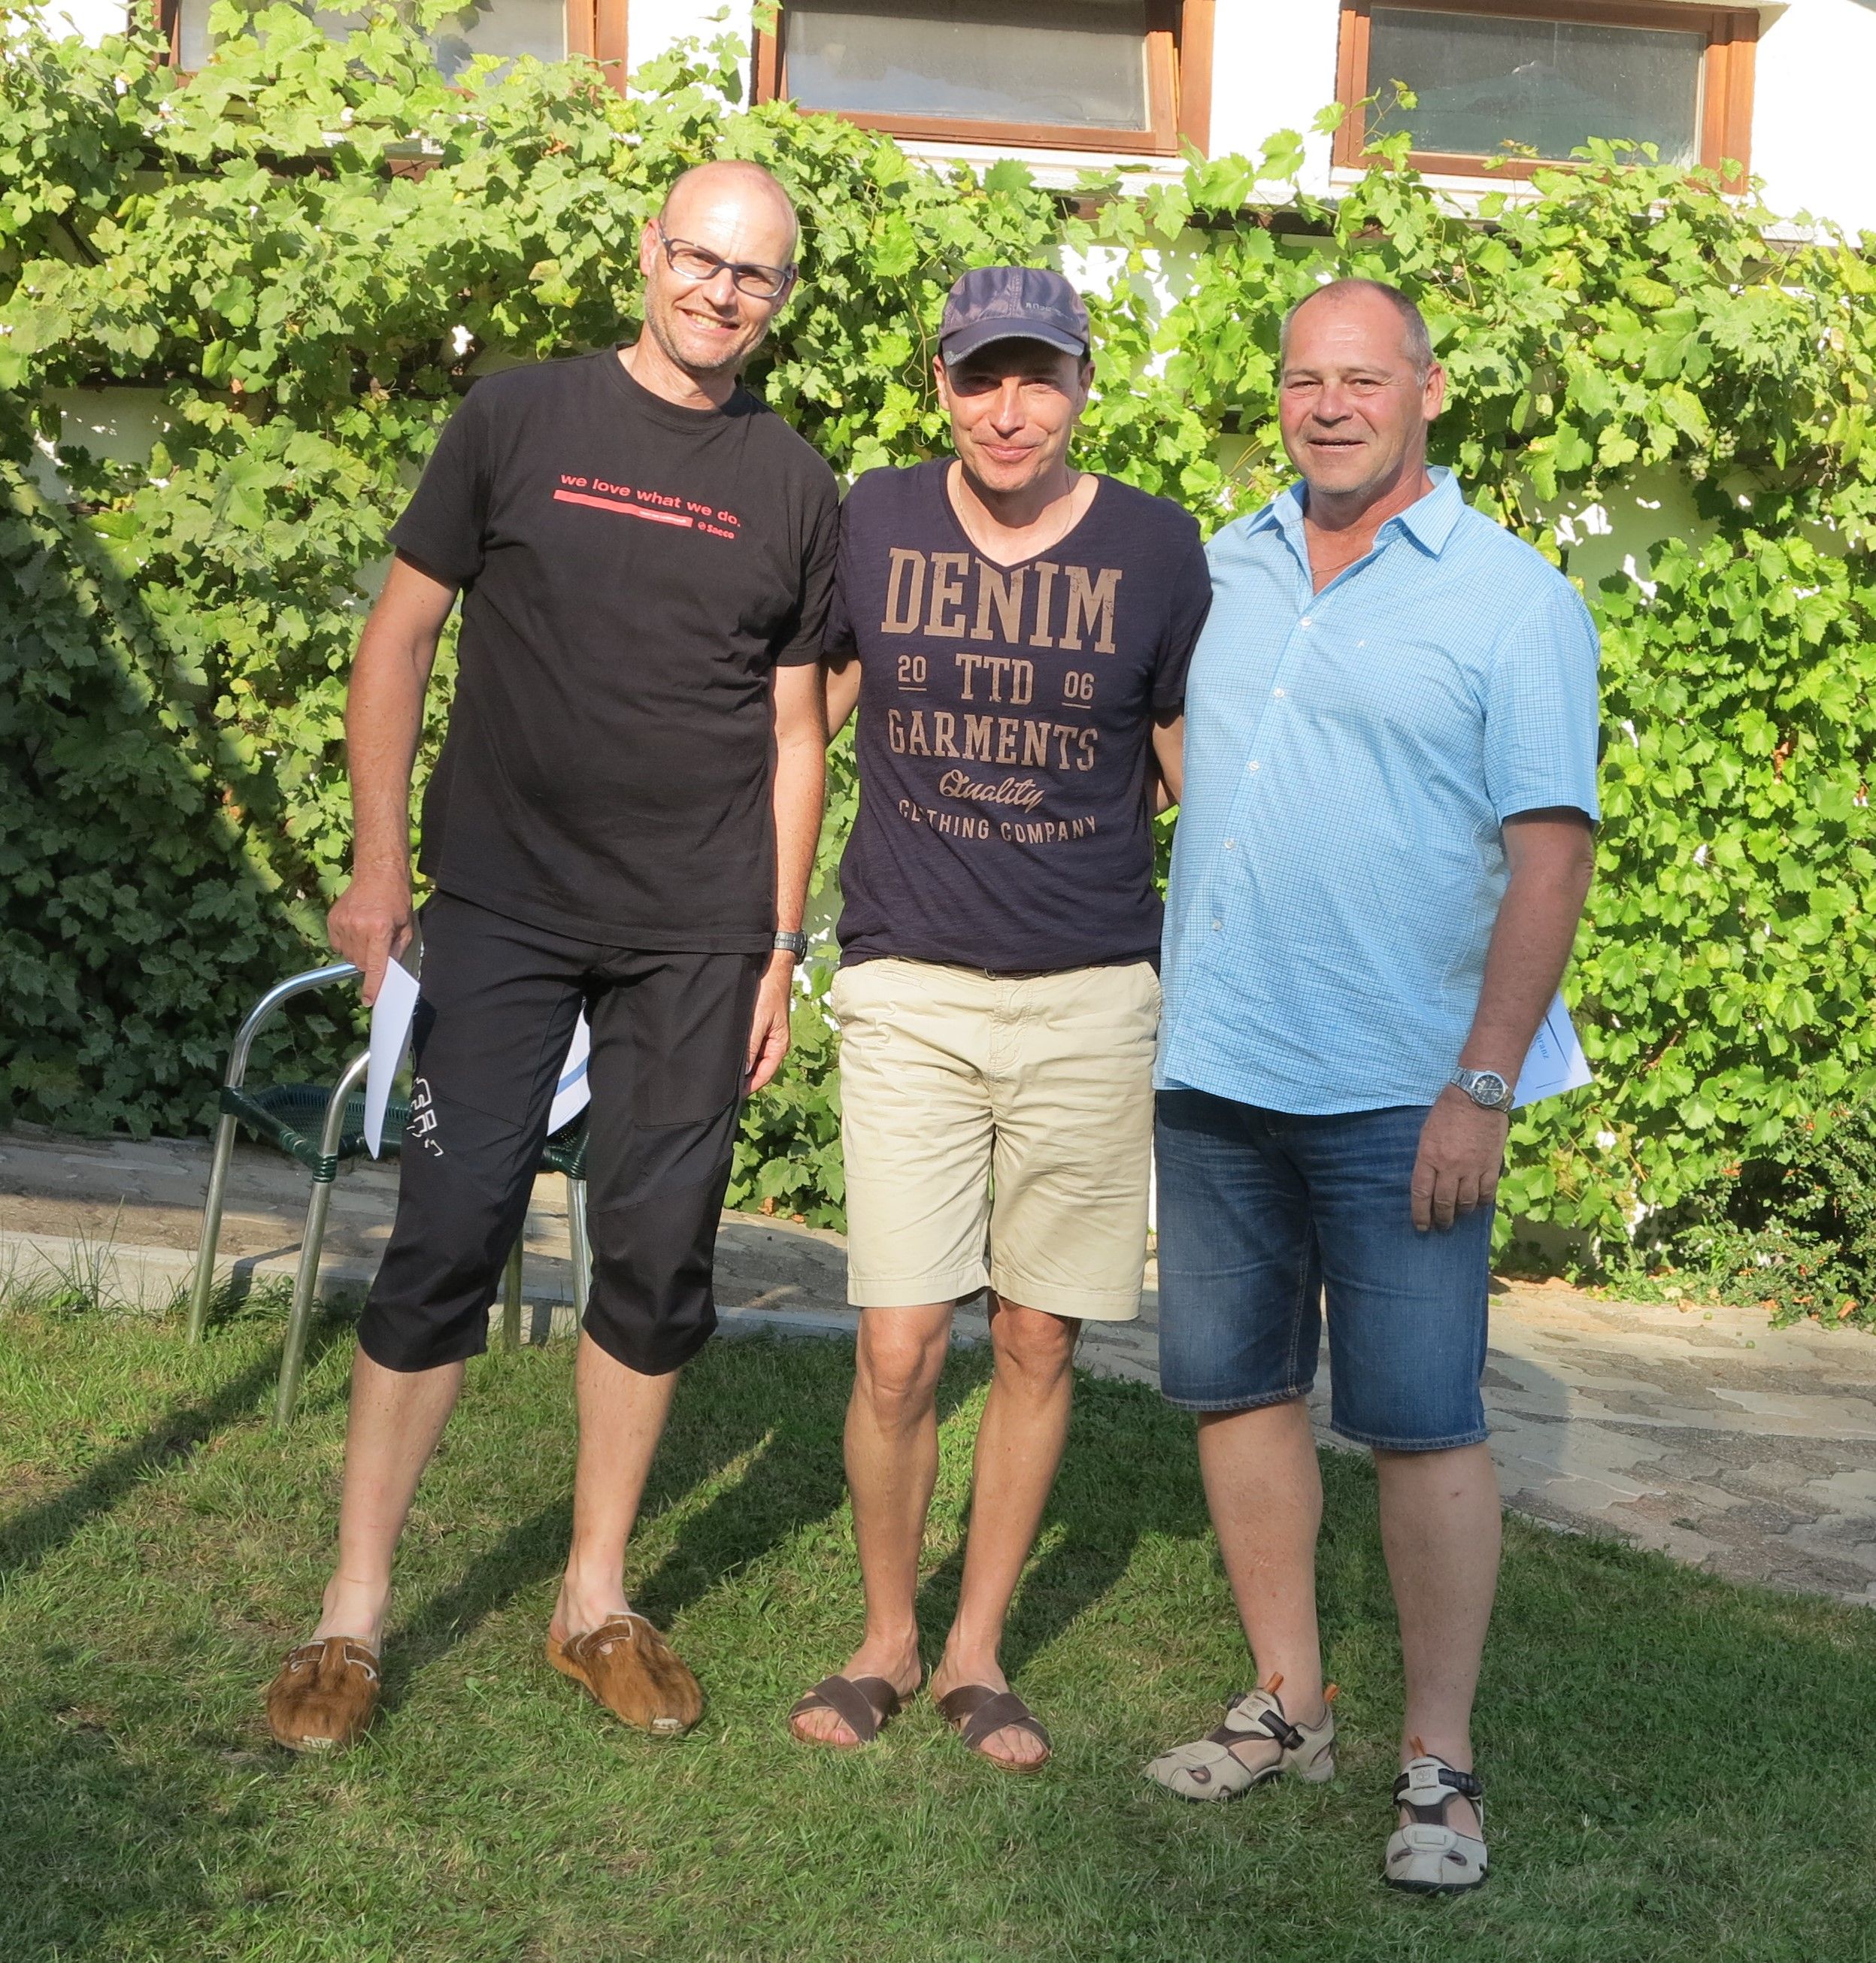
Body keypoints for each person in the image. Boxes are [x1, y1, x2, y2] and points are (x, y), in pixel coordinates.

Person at [263, 159, 837, 1753]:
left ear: (781, 299)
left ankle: (593, 1600)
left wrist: (778, 944)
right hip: (502, 909)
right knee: (446, 1237)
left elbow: (799, 731)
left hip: (696, 932)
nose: (721, 292)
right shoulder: (516, 418)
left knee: (656, 1258)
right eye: (701, 258)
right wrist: (380, 867)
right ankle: (351, 1615)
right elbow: (399, 637)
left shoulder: (796, 482)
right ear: (649, 252)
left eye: (755, 275)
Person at [1145, 279, 1599, 1890]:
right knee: (1239, 1391)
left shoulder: (1514, 602)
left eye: (1361, 378)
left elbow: (1550, 858)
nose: (1328, 406)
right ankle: (1290, 1701)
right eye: (1302, 381)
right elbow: (1186, 747)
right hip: (1218, 1062)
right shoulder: (1223, 565)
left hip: (1402, 1088)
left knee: (1423, 1422)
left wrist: (1483, 1081)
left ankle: (1439, 1764)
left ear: (1427, 389)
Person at [789, 268, 1211, 1771]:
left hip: (1091, 991)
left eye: (1039, 377)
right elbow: (801, 722)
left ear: (1084, 384)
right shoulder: (876, 519)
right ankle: (883, 1638)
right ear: (942, 384)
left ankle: (974, 1651)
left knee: (1036, 1334)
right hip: (909, 979)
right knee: (901, 1341)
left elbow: (1191, 761)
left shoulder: (1157, 547)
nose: (1010, 410)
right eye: (982, 378)